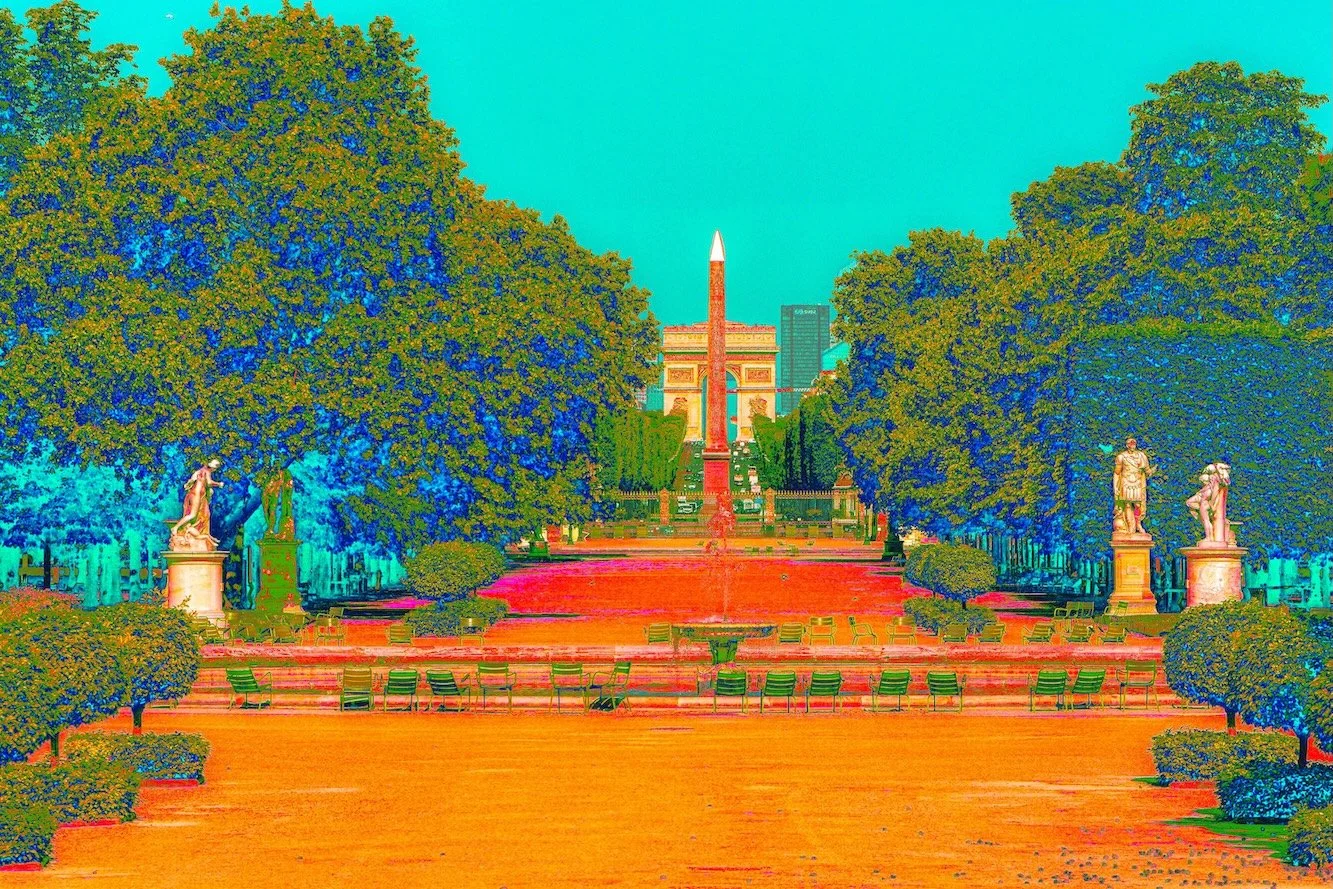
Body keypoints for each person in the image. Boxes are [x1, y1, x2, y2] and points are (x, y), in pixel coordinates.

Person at [171, 458, 224, 549]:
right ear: (212, 467)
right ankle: (175, 528)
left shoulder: (199, 471)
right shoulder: (206, 471)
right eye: (215, 467)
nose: (214, 469)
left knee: (204, 514)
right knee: (192, 515)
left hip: (195, 495)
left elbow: (195, 481)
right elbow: (209, 483)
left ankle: (207, 535)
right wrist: (219, 484)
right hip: (196, 495)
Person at [1113, 437, 1156, 535]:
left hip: (1137, 482)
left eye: (1134, 444)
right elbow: (1117, 472)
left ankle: (1138, 524)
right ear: (1127, 445)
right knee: (1128, 505)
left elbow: (1147, 470)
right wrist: (1116, 487)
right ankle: (1130, 527)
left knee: (1138, 505)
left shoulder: (1141, 456)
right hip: (1126, 482)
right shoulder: (1121, 457)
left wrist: (1150, 471)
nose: (1132, 446)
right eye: (1130, 444)